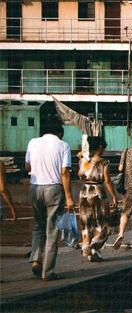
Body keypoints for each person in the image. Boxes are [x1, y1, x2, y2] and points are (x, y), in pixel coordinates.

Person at [25, 118, 74, 281]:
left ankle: (35, 260)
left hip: (34, 188)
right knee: (52, 229)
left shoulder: (33, 142)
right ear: (59, 132)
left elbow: (27, 166)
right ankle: (48, 271)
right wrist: (69, 197)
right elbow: (65, 173)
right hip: (53, 189)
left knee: (38, 226)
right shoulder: (63, 145)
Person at [78, 137, 117, 262]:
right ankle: (94, 245)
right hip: (97, 192)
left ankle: (88, 249)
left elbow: (80, 174)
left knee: (86, 222)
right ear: (100, 147)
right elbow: (107, 181)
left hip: (84, 192)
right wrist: (114, 196)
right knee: (103, 222)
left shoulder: (83, 161)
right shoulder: (104, 162)